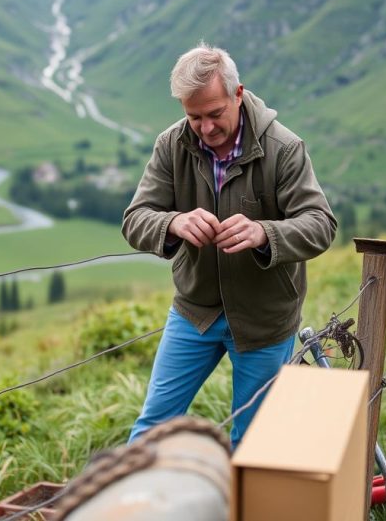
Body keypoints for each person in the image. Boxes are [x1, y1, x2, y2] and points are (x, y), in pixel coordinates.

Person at [122, 42, 337, 448]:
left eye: (215, 114)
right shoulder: (171, 145)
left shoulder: (284, 148)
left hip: (264, 321)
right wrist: (174, 222)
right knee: (151, 429)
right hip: (194, 312)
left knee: (251, 442)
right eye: (193, 116)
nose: (204, 128)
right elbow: (135, 219)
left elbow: (321, 225)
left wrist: (265, 234)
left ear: (238, 95)